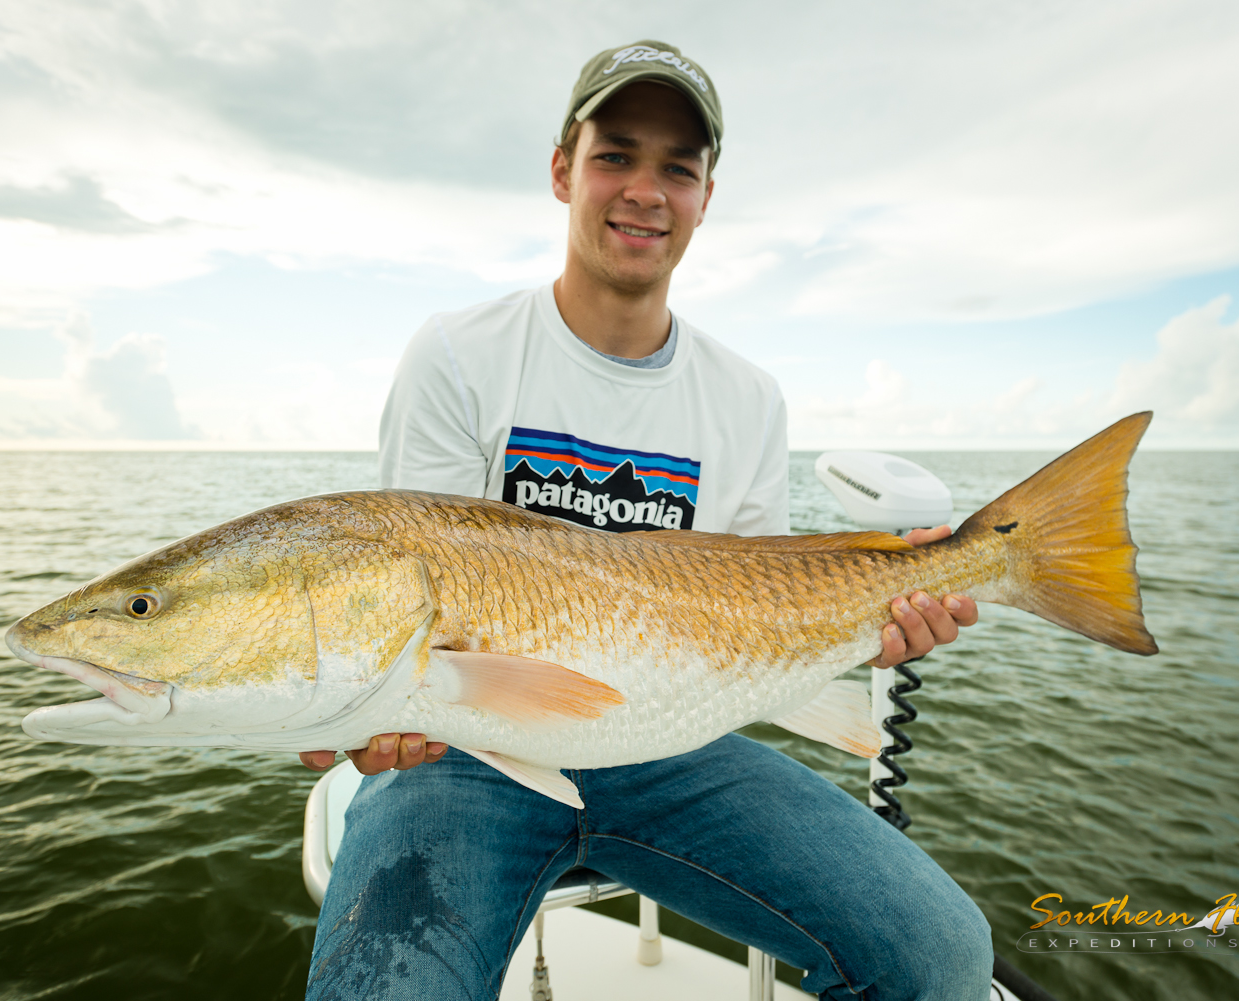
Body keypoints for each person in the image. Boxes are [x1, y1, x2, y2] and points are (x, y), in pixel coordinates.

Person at [303, 40, 991, 1000]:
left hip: (674, 742)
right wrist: (371, 710)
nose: (645, 191)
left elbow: (759, 606)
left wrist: (863, 626)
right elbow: (414, 609)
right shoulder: (460, 353)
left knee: (941, 956)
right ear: (562, 170)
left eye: (679, 167)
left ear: (708, 196)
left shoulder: (747, 398)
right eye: (615, 154)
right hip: (463, 756)